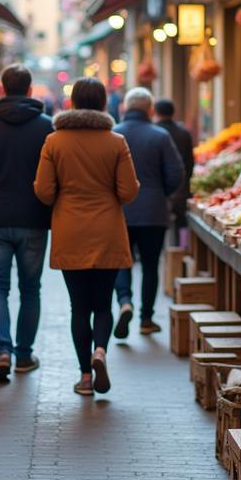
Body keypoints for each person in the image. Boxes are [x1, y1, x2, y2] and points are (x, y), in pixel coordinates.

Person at [33, 77, 139, 396]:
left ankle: (84, 377)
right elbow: (128, 191)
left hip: (70, 231)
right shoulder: (116, 141)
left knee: (79, 307)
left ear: (73, 102)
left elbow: (44, 191)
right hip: (107, 230)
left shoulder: (54, 142)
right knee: (103, 304)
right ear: (104, 103)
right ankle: (101, 351)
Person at [0, 64, 53, 381]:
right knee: (31, 288)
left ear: (1, 89)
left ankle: (2, 350)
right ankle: (23, 354)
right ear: (30, 91)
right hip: (34, 218)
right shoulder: (47, 126)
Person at [112, 87, 184, 339]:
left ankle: (124, 302)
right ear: (150, 109)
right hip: (153, 210)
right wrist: (160, 193)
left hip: (120, 210)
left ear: (125, 108)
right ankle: (146, 318)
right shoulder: (160, 136)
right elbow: (176, 174)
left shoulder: (114, 134)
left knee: (122, 261)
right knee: (151, 265)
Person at [154, 98, 195, 247]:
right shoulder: (183, 133)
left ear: (156, 112)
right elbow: (190, 162)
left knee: (158, 225)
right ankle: (182, 249)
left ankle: (164, 253)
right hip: (181, 187)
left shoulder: (154, 132)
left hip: (158, 188)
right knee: (181, 221)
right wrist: (186, 182)